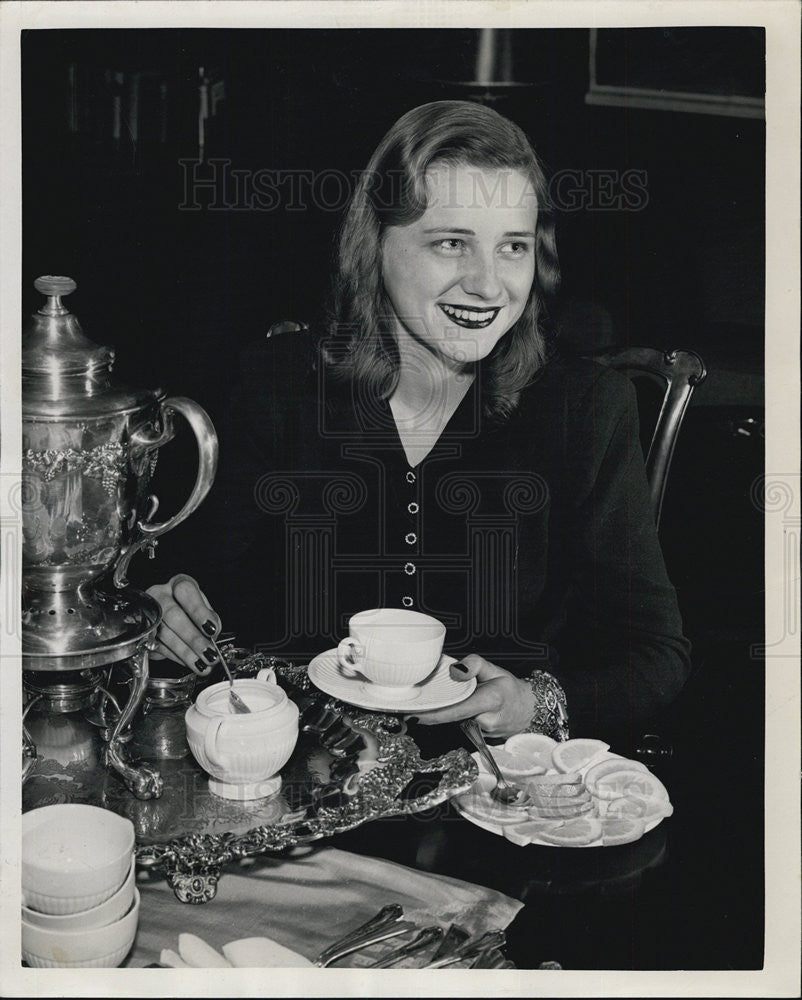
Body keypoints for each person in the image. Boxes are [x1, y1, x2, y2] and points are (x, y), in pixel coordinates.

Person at [145, 100, 691, 747]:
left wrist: (531, 704)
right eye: (451, 243)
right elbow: (200, 585)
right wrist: (162, 607)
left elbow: (656, 655)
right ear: (374, 245)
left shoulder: (586, 408)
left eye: (512, 247)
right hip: (303, 773)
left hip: (491, 803)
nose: (488, 285)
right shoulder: (280, 385)